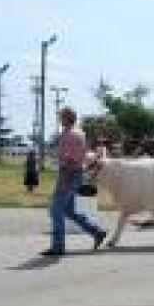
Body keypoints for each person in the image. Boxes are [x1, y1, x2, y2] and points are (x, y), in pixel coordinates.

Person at [43, 107, 107, 257]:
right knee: (68, 211)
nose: (59, 119)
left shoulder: (69, 135)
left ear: (66, 118)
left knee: (56, 210)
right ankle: (97, 232)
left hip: (68, 175)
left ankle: (58, 246)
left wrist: (63, 174)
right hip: (76, 174)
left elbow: (69, 158)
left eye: (61, 116)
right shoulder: (80, 133)